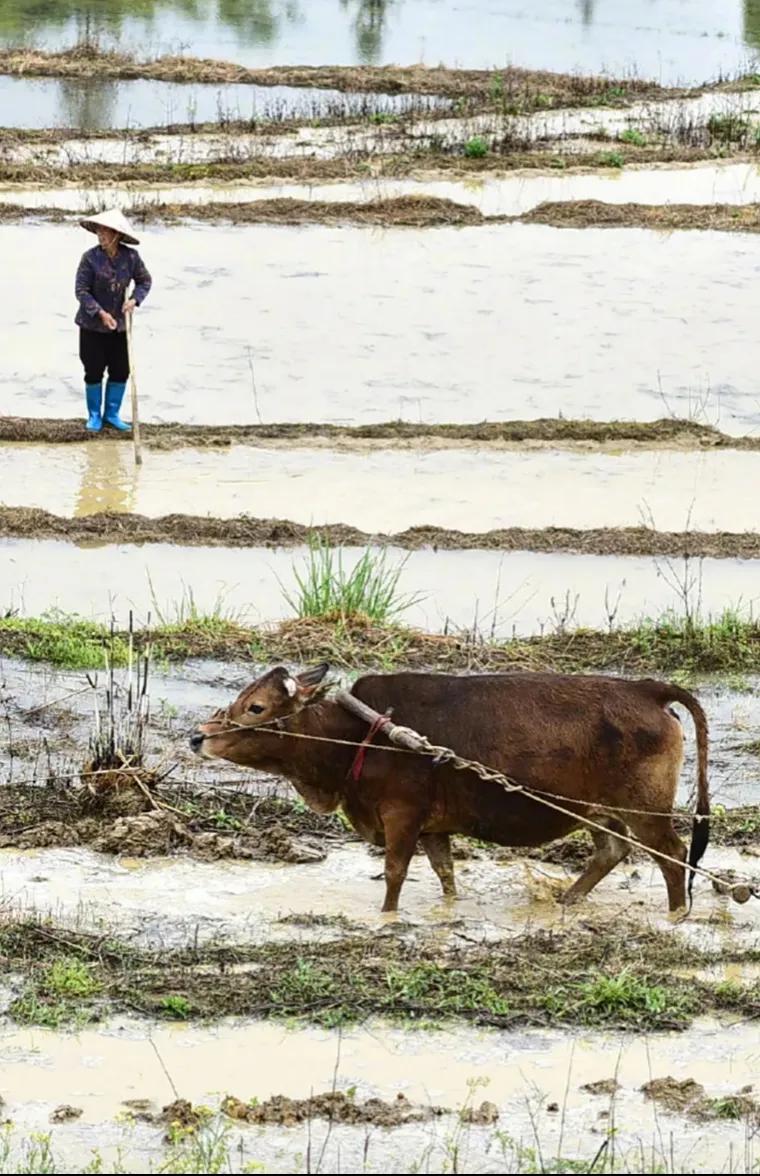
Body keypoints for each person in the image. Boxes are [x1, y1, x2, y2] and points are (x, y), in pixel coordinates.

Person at [74, 208, 152, 432]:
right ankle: (94, 416)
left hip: (120, 327)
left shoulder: (131, 258)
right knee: (93, 370)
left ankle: (112, 414)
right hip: (92, 326)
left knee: (120, 370)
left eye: (105, 231)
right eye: (99, 231)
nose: (101, 235)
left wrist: (134, 301)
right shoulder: (90, 259)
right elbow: (81, 291)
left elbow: (145, 281)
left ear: (117, 234)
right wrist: (100, 313)